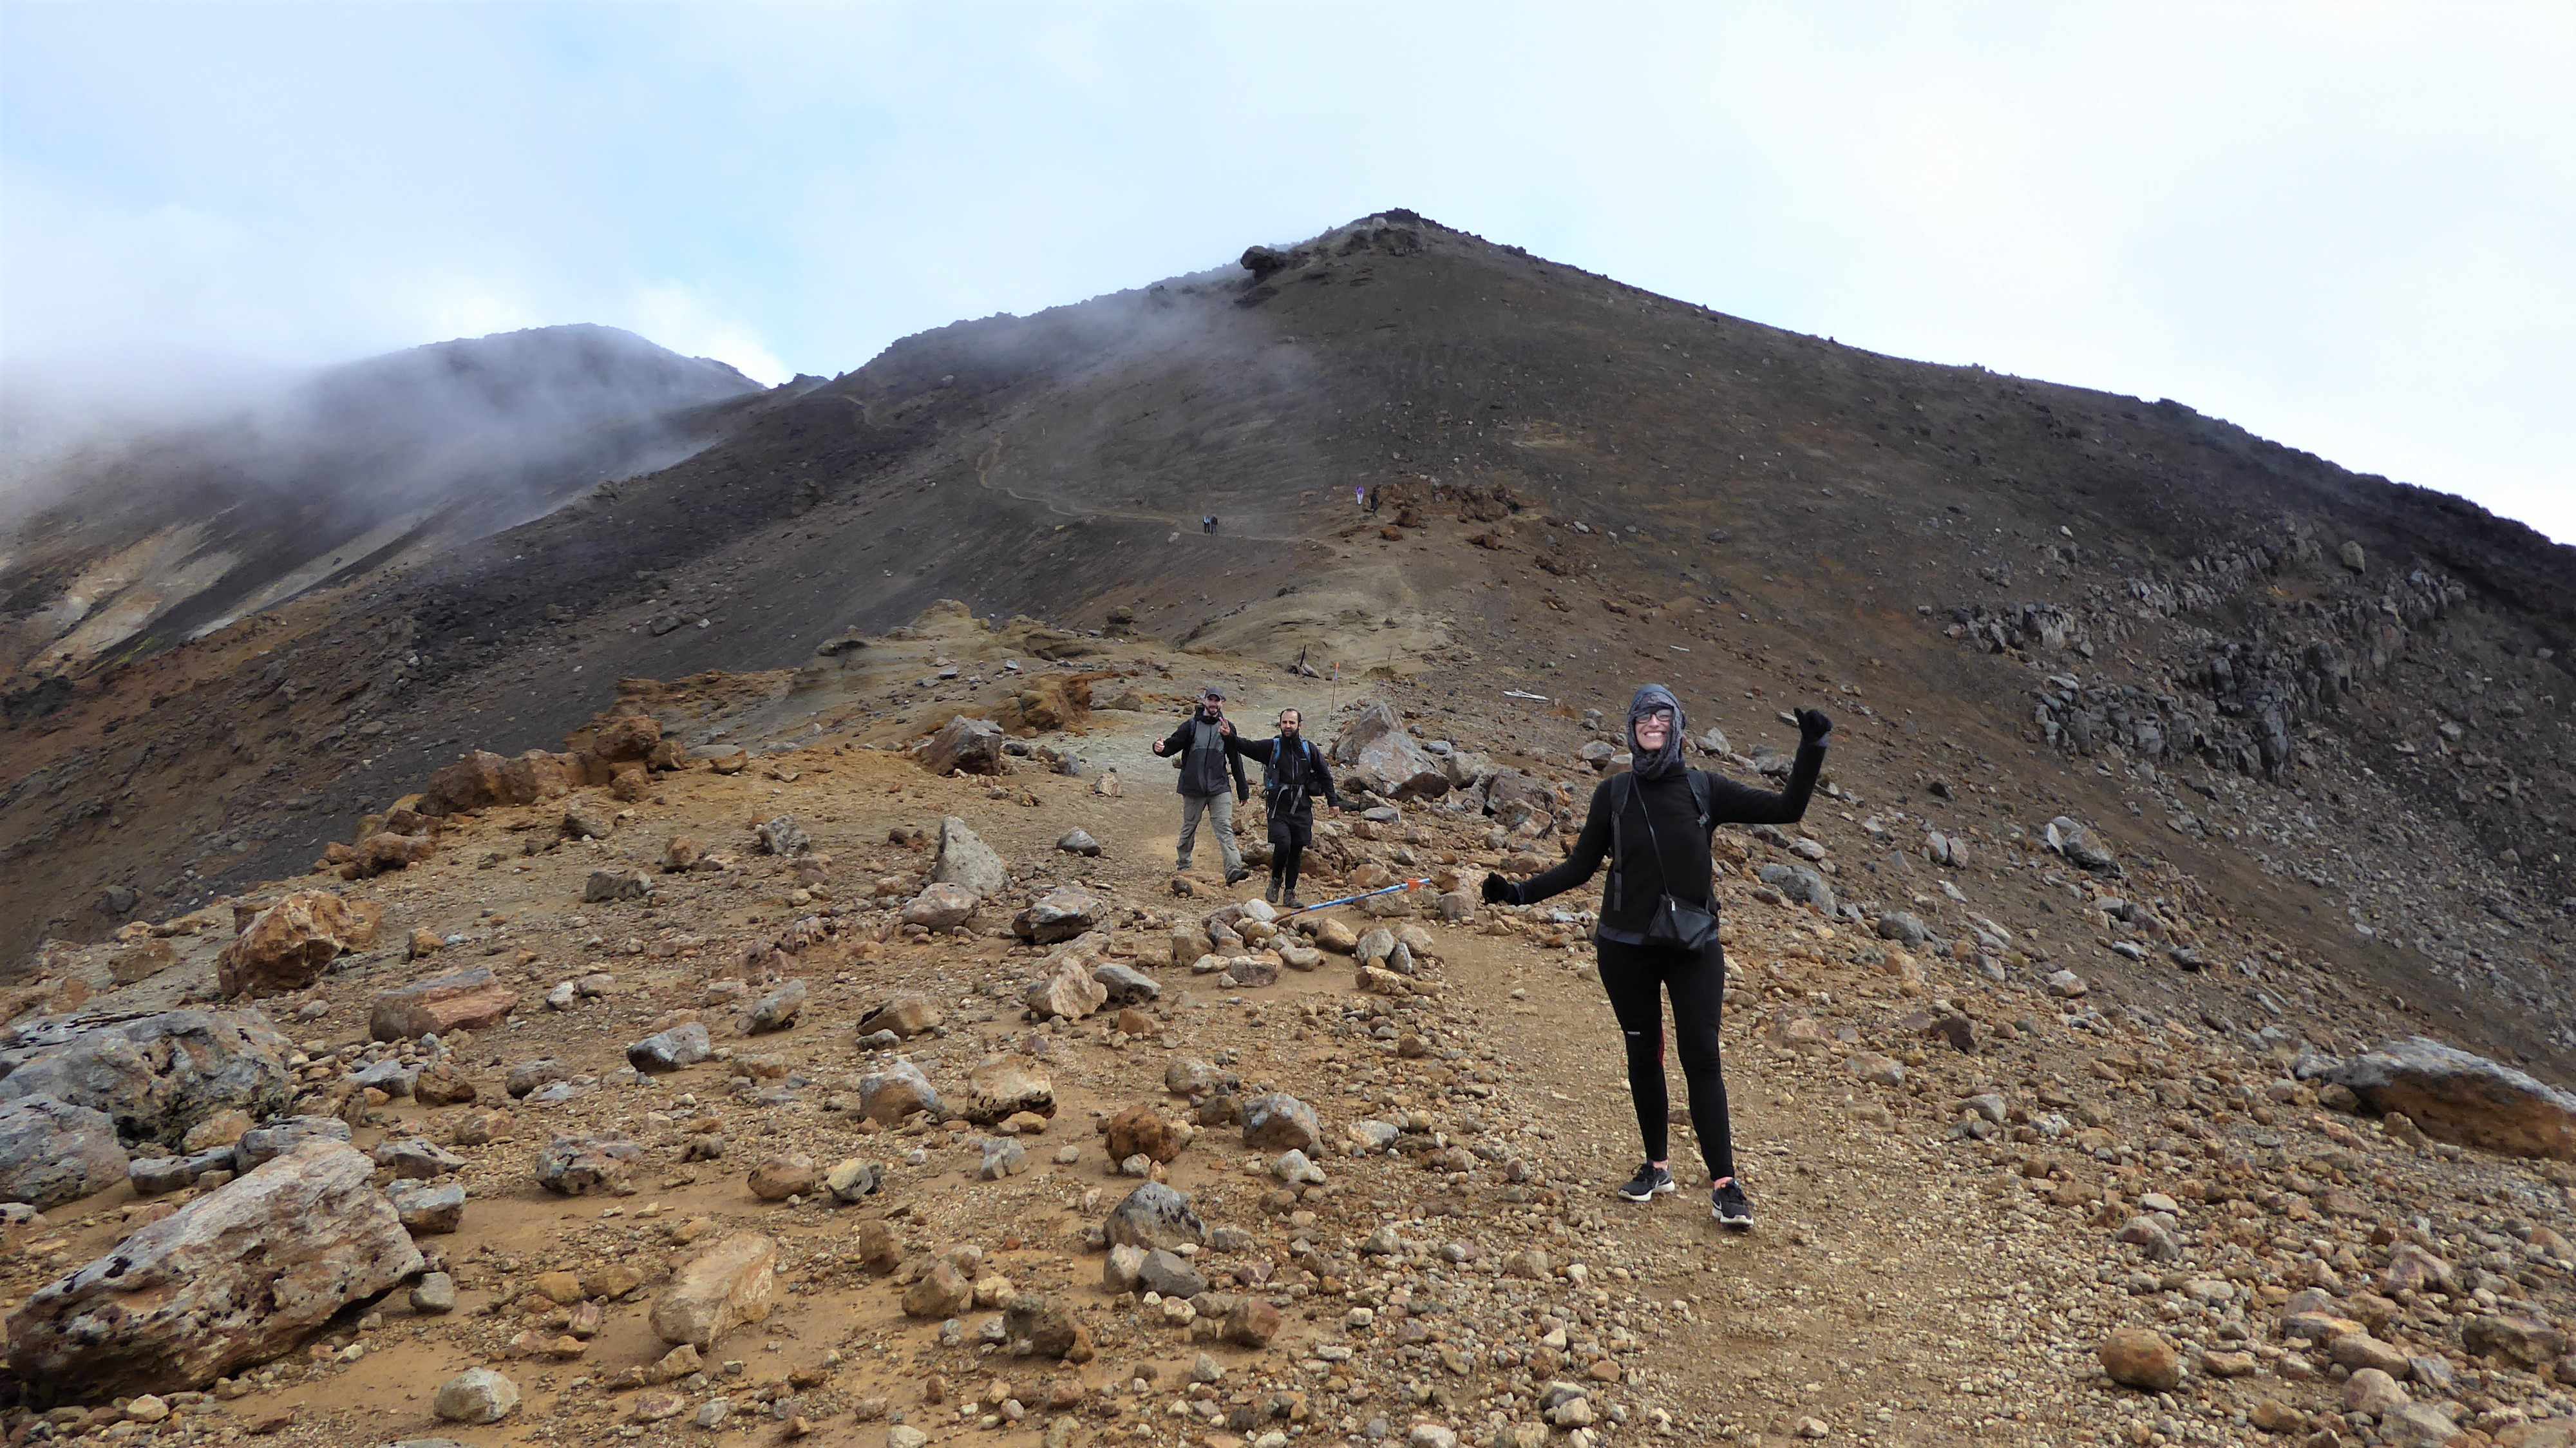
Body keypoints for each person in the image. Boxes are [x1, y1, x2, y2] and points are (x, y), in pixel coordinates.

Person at [1482, 685, 1830, 1230]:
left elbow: (1788, 809)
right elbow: (1580, 867)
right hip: (1625, 950)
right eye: (1643, 716)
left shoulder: (1704, 788)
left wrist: (1812, 748)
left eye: (1662, 716)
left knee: (1702, 1057)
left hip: (1694, 947)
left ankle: (1726, 1185)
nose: (1652, 724)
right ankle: (1657, 1168)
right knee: (1643, 1055)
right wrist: (1517, 894)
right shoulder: (1614, 793)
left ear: (1677, 726)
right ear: (1631, 727)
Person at [1225, 707, 1341, 906]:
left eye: (1292, 723)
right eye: (1284, 722)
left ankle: (1290, 893)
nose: (1288, 726)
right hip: (1278, 808)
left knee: (1296, 851)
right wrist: (1229, 737)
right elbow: (1247, 746)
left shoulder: (1309, 749)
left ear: (1299, 725)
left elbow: (1325, 775)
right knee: (1284, 844)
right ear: (1280, 724)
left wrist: (1333, 802)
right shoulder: (1273, 747)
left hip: (1302, 808)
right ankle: (1276, 880)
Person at [1151, 687, 1251, 884]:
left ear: (1222, 703)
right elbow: (1171, 746)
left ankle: (1233, 869)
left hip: (1219, 787)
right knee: (1190, 826)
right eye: (1210, 700)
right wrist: (1159, 748)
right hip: (1193, 787)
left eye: (1217, 700)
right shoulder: (1191, 726)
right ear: (1204, 701)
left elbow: (1235, 759)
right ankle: (1184, 864)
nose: (1214, 704)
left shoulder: (1227, 727)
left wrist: (1243, 790)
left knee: (1224, 827)